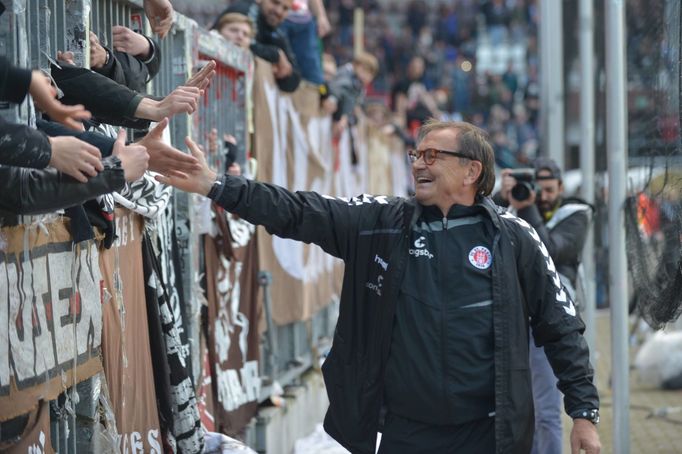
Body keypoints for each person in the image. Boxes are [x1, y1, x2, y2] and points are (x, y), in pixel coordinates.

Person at [157, 120, 601, 454]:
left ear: (471, 171)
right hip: (406, 432)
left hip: (489, 432)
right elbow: (298, 210)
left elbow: (560, 326)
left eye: (433, 156)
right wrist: (218, 186)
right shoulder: (381, 223)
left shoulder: (514, 237)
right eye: (417, 155)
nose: (420, 164)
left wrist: (583, 414)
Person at [497, 157, 593, 454]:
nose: (544, 196)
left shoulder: (576, 213)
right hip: (510, 316)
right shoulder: (508, 208)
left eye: (550, 190)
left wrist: (526, 207)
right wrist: (501, 196)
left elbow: (551, 250)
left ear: (561, 187)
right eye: (539, 189)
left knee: (546, 411)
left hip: (548, 322)